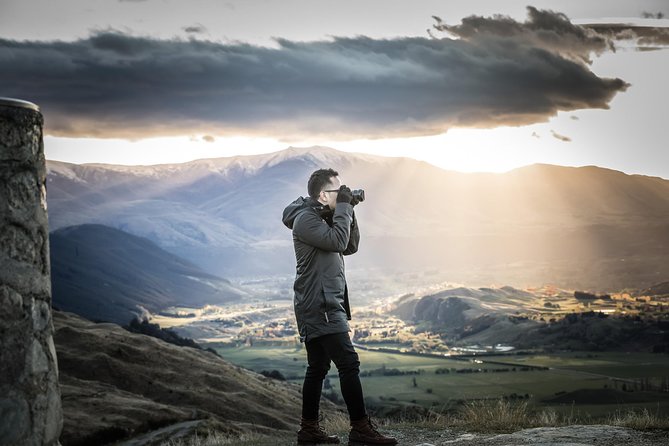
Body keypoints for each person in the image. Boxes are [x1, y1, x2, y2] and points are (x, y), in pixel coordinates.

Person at [282, 168, 397, 445]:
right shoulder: (305, 220)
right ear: (323, 195)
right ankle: (360, 429)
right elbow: (337, 241)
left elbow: (350, 245)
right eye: (337, 190)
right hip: (319, 305)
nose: (342, 193)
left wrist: (347, 208)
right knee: (348, 363)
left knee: (318, 367)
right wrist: (343, 206)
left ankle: (308, 430)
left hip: (325, 302)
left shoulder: (323, 215)